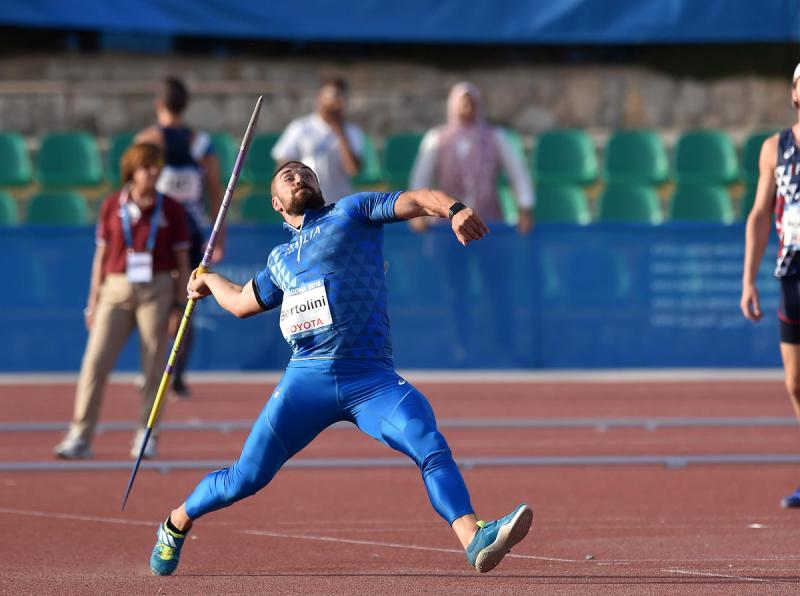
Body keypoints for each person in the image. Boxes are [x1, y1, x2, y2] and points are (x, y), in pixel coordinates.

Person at [148, 161, 532, 576]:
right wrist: (208, 282)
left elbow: (420, 199)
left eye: (306, 173)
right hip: (305, 380)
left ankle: (474, 537)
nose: (300, 177)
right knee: (246, 477)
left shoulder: (352, 211)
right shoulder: (279, 259)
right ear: (276, 203)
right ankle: (176, 522)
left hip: (371, 378)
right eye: (288, 176)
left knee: (427, 441)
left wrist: (454, 209)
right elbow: (242, 302)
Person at [53, 143, 190, 460]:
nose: (153, 172)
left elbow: (182, 260)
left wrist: (179, 306)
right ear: (132, 170)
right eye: (146, 167)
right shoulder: (112, 204)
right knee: (94, 363)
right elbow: (100, 256)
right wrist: (93, 300)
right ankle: (80, 434)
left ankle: (146, 432)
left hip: (157, 288)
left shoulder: (170, 208)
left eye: (157, 166)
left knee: (154, 365)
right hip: (115, 289)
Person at [408, 81, 535, 364]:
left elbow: (518, 173)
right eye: (461, 101)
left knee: (498, 288)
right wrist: (418, 213)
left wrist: (525, 207)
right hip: (449, 231)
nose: (466, 107)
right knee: (456, 290)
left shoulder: (495, 137)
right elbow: (420, 180)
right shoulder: (438, 138)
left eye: (471, 101)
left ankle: (504, 346)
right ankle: (460, 347)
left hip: (490, 227)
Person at [135, 77, 224, 397]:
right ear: (185, 105)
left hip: (157, 234)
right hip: (193, 232)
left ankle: (157, 370)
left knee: (155, 303)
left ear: (158, 104)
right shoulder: (202, 143)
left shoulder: (146, 139)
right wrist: (220, 237)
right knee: (187, 303)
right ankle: (177, 374)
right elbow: (217, 193)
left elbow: (133, 187)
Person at [741, 62, 800, 508]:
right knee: (795, 383)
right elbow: (761, 213)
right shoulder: (774, 148)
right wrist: (749, 279)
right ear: (795, 93)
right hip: (791, 273)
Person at [271, 78, 363, 201]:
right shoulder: (300, 127)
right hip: (307, 200)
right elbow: (283, 162)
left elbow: (353, 169)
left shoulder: (352, 131)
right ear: (319, 98)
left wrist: (338, 129)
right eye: (330, 96)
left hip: (339, 201)